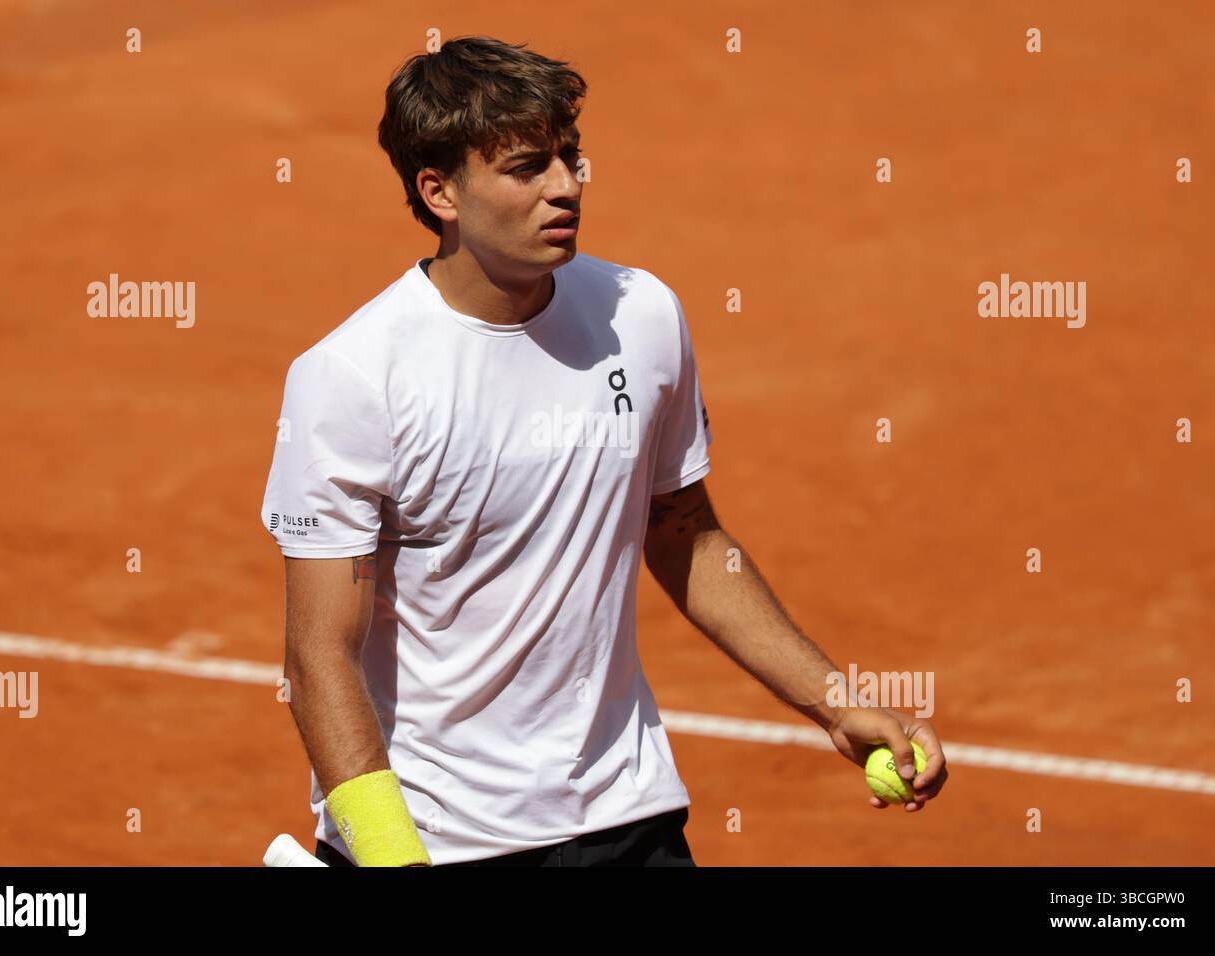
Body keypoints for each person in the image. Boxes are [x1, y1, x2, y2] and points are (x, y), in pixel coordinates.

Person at [260, 35, 947, 868]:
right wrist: (392, 856)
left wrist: (833, 702)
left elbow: (685, 532)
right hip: (442, 840)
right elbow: (319, 649)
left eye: (570, 157)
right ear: (438, 191)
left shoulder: (640, 316)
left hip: (627, 812)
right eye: (526, 168)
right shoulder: (353, 377)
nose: (566, 186)